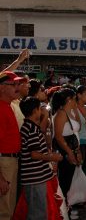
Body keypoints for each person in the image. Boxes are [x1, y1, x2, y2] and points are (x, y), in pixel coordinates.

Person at [19, 97, 63, 220]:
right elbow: (34, 154)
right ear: (35, 110)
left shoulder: (30, 127)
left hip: (36, 177)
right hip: (34, 178)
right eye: (40, 108)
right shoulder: (31, 129)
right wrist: (51, 157)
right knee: (38, 213)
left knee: (39, 211)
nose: (42, 111)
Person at [0, 71, 25, 220]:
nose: (18, 87)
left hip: (10, 162)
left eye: (18, 84)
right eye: (13, 84)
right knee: (4, 211)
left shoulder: (8, 106)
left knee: (8, 209)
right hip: (4, 163)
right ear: (2, 87)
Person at [51, 88, 82, 198]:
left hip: (72, 145)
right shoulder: (61, 114)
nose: (76, 101)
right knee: (65, 179)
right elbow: (59, 136)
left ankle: (68, 205)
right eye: (74, 99)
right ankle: (63, 207)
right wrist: (69, 152)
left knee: (70, 178)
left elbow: (79, 126)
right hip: (64, 148)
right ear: (69, 99)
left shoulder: (70, 112)